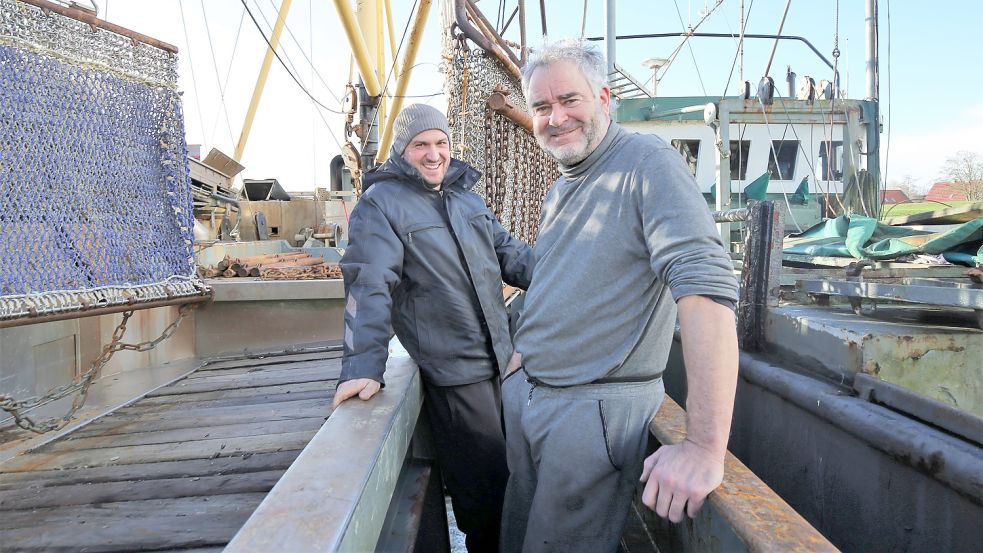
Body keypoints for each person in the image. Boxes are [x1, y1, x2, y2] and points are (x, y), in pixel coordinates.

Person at [500, 40, 740, 552]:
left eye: (570, 100)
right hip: (534, 396)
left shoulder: (648, 163)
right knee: (518, 536)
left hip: (589, 414)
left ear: (605, 99)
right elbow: (554, 275)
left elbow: (706, 292)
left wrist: (703, 446)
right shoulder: (565, 182)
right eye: (541, 107)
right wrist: (525, 350)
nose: (555, 117)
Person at [333, 103, 535, 553]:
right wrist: (363, 366)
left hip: (502, 360)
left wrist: (571, 275)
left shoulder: (466, 197)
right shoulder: (380, 205)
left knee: (517, 472)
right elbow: (369, 284)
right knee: (484, 487)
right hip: (454, 369)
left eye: (440, 142)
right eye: (421, 144)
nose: (434, 153)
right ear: (403, 151)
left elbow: (511, 255)